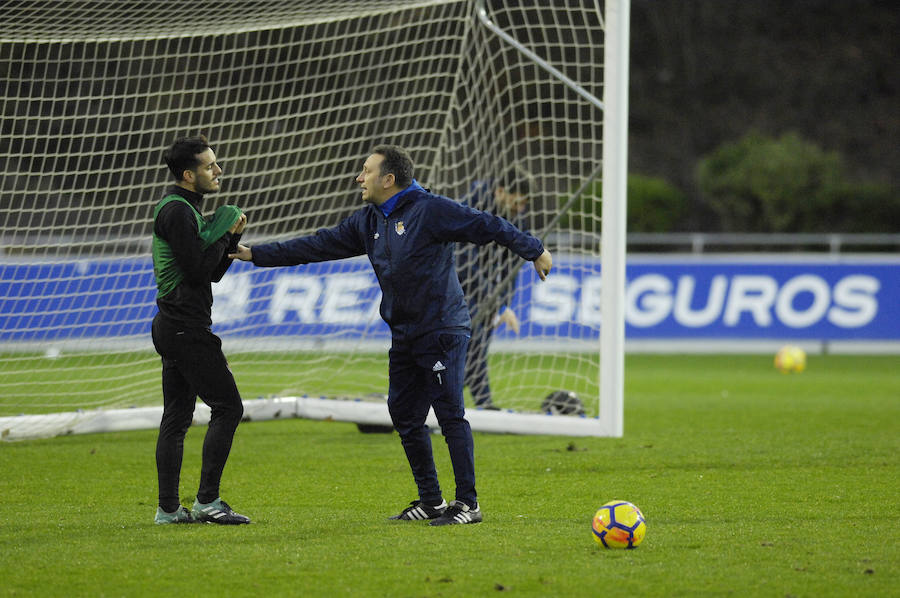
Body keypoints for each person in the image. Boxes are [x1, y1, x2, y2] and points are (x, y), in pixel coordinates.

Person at [229, 145, 551, 526]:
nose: (358, 178)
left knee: (450, 415)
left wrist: (535, 250)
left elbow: (489, 224)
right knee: (404, 414)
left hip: (442, 328)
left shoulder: (430, 209)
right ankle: (431, 501)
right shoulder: (369, 220)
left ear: (388, 179)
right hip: (404, 332)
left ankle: (469, 504)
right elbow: (317, 244)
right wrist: (254, 254)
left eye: (365, 171)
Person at [150, 135, 251, 525]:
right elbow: (195, 272)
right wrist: (224, 232)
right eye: (210, 166)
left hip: (175, 326)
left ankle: (169, 510)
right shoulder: (176, 211)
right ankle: (208, 501)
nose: (218, 170)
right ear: (189, 174)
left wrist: (233, 235)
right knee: (229, 407)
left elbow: (213, 274)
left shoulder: (187, 211)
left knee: (176, 417)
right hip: (185, 327)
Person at [456, 166, 533, 410]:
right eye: (517, 202)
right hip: (449, 282)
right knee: (464, 348)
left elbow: (511, 269)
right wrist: (497, 305)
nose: (520, 209)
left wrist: (503, 305)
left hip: (482, 289)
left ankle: (481, 404)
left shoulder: (515, 218)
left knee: (475, 347)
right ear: (500, 191)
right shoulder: (470, 208)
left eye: (523, 204)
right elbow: (463, 263)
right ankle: (464, 405)